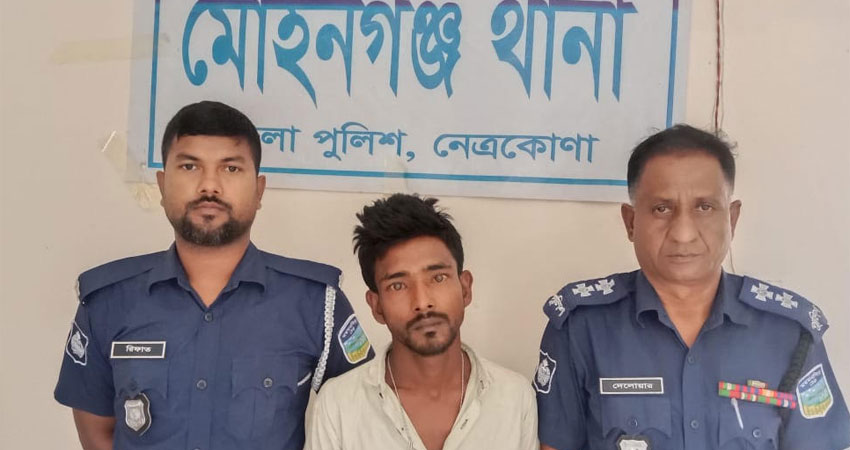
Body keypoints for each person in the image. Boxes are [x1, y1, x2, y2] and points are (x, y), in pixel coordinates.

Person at [54, 101, 373, 450]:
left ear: (259, 190)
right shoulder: (107, 302)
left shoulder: (316, 303)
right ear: (162, 184)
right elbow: (98, 434)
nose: (210, 186)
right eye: (189, 166)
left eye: (231, 168)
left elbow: (364, 417)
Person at [536, 125, 850, 450]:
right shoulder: (581, 327)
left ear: (732, 219)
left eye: (704, 207)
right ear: (631, 222)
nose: (683, 233)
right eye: (662, 209)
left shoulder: (788, 333)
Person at [305, 193, 538, 450]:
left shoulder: (514, 397)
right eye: (398, 285)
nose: (422, 301)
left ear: (465, 289)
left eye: (438, 278)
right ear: (377, 306)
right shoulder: (338, 405)